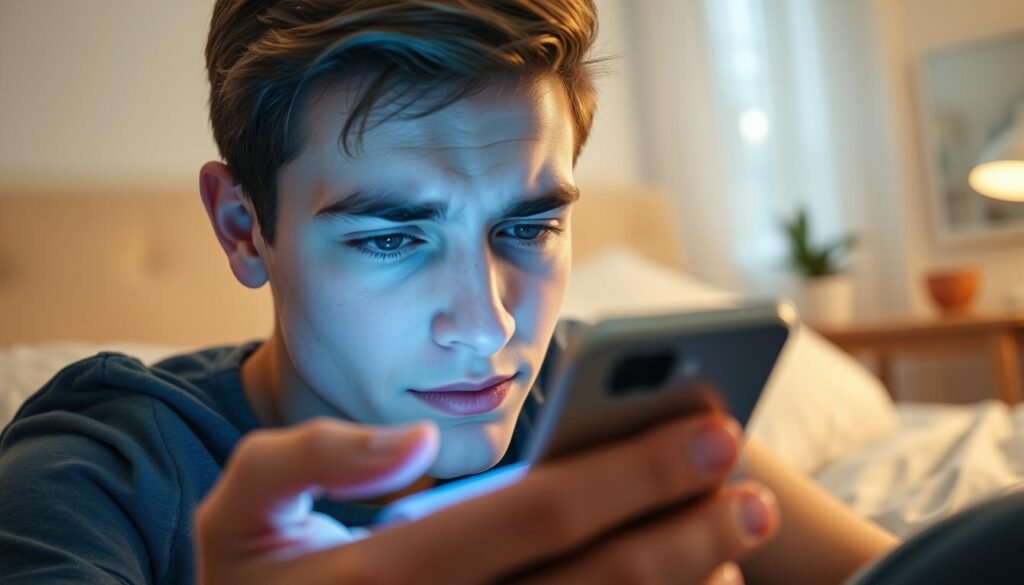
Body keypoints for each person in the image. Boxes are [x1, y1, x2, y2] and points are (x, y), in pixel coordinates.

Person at [0, 1, 899, 583]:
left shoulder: (595, 401)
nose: (488, 326)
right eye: (392, 238)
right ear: (243, 227)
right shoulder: (103, 470)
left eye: (529, 227)